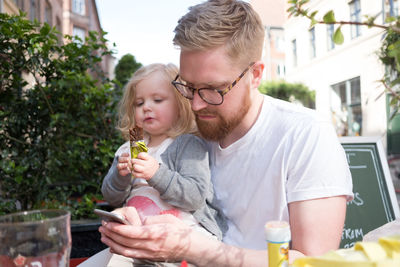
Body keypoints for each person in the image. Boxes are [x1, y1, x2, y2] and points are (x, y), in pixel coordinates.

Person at [97, 0, 354, 266]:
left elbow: (315, 262)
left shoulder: (305, 135)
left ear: (255, 75)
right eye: (187, 87)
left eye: (213, 90)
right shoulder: (188, 134)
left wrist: (191, 248)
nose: (196, 104)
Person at [99, 63, 225, 266]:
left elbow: (194, 196)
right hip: (138, 242)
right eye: (139, 103)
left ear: (180, 104)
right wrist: (120, 176)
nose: (146, 107)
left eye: (157, 100)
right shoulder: (133, 145)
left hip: (183, 241)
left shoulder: (186, 144)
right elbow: (111, 197)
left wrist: (156, 173)